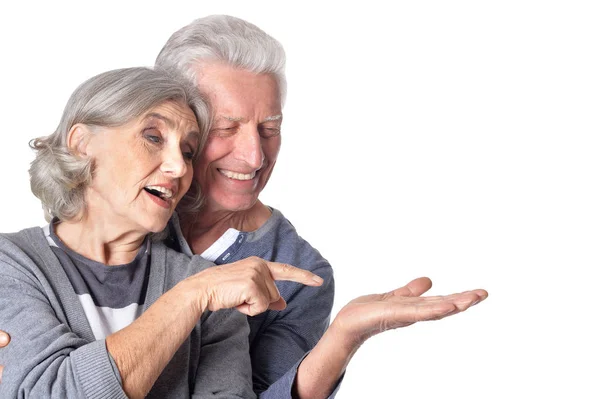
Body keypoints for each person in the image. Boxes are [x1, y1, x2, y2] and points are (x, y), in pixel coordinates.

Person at [0, 15, 488, 398]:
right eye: (227, 128)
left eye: (269, 129)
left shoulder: (292, 272)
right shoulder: (43, 250)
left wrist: (340, 339)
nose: (255, 157)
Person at [0, 66, 324, 398]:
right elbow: (50, 392)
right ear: (82, 143)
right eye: (153, 137)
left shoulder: (209, 284)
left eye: (187, 151)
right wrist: (189, 298)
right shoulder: (11, 264)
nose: (180, 167)